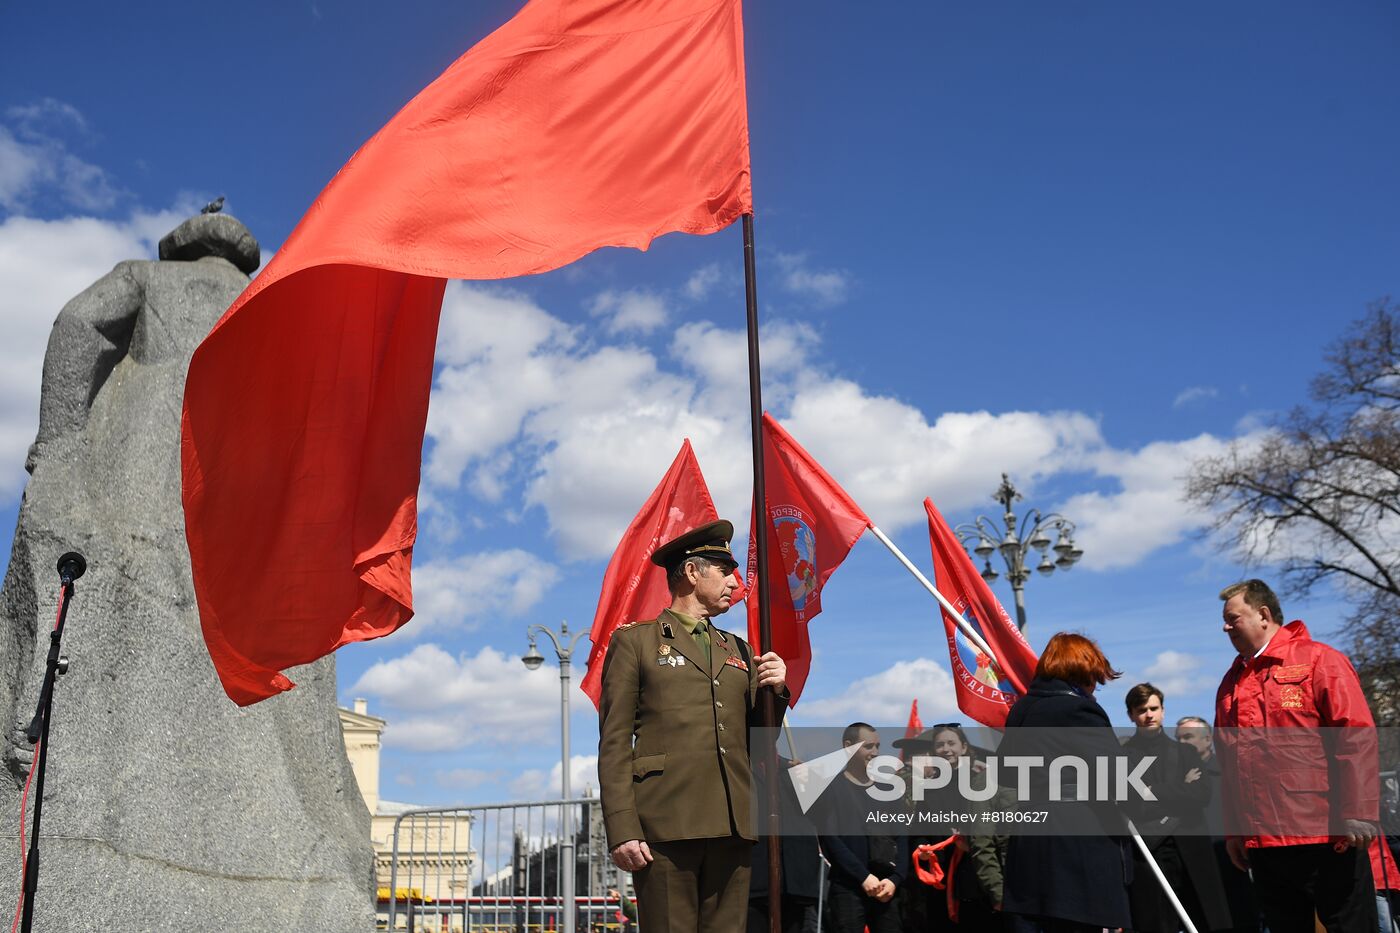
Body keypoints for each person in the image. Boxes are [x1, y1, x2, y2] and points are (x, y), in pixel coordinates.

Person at [598, 519, 789, 933]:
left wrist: (777, 691)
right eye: (725, 571)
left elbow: (758, 740)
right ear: (691, 572)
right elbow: (613, 741)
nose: (735, 584)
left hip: (733, 822)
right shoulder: (637, 642)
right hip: (666, 824)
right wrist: (622, 828)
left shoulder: (738, 648)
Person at [1214, 578, 1380, 933]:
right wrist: (1234, 832)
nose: (1225, 627)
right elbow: (1228, 765)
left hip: (1327, 836)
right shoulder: (1230, 684)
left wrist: (1359, 811)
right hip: (1264, 843)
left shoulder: (1320, 659)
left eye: (1233, 618)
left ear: (1263, 615)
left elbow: (1355, 737)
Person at [998, 632, 1133, 933]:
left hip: (1029, 839)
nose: (1097, 685)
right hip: (1079, 844)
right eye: (1095, 676)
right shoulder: (1079, 709)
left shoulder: (1020, 710)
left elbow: (1006, 771)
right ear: (1081, 670)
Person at [1121, 684, 1232, 932]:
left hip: (1192, 849)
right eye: (1141, 710)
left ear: (1162, 710)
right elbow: (1133, 803)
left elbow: (1201, 794)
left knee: (1207, 921)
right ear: (1130, 714)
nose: (1149, 715)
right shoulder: (1122, 757)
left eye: (1154, 708)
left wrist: (1151, 790)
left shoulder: (1186, 752)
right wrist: (1180, 788)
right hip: (1149, 854)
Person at [812, 723, 909, 933]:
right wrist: (863, 877)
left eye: (878, 746)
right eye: (869, 747)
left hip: (887, 888)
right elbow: (830, 838)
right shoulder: (830, 788)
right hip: (847, 888)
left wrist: (895, 879)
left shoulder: (889, 788)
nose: (875, 753)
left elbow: (902, 836)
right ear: (849, 746)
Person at [1175, 715, 1260, 933]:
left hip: (1234, 865)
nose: (1183, 743)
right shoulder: (1172, 781)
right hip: (1194, 872)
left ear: (1208, 739)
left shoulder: (1231, 774)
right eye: (1179, 739)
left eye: (1189, 737)